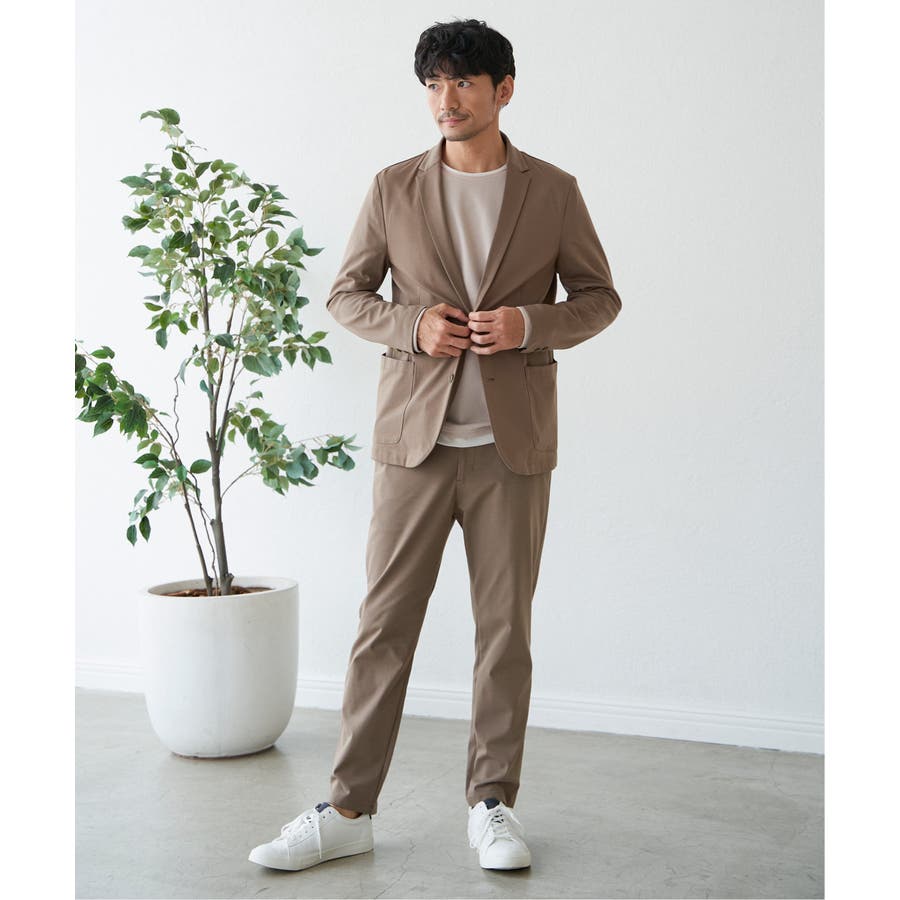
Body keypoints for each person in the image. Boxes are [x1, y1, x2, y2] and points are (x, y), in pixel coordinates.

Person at [249, 17, 622, 873]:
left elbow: (599, 297)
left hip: (511, 448)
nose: (445, 99)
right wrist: (413, 326)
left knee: (505, 633)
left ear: (503, 90)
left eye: (462, 82)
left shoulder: (553, 190)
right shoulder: (394, 188)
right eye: (432, 84)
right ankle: (348, 809)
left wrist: (529, 324)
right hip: (412, 445)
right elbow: (347, 295)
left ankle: (492, 806)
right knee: (383, 625)